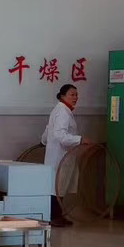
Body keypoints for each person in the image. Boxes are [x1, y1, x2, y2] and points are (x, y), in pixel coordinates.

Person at [41, 83, 83, 227]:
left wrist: (44, 141)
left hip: (58, 155)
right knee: (57, 187)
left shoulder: (59, 110)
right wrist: (80, 139)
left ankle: (57, 215)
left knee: (58, 186)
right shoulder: (63, 112)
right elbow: (60, 135)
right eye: (72, 95)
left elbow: (48, 131)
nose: (75, 97)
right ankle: (54, 217)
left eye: (76, 95)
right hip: (60, 156)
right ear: (63, 96)